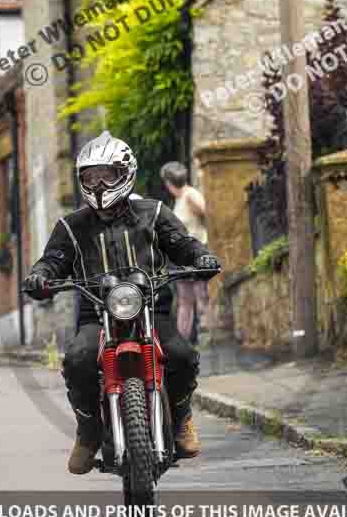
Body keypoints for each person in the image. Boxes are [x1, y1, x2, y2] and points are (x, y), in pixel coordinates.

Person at [22, 131, 219, 475]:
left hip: (150, 308)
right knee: (79, 360)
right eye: (89, 176)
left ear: (125, 173)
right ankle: (87, 433)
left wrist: (201, 256)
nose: (98, 183)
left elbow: (182, 244)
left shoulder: (154, 213)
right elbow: (52, 260)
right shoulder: (71, 226)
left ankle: (182, 416)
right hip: (95, 315)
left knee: (182, 355)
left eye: (106, 175)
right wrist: (40, 276)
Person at [160, 161, 210, 343]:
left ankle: (210, 336)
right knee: (185, 299)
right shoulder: (180, 198)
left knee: (201, 295)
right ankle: (182, 340)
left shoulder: (190, 195)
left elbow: (207, 214)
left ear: (168, 182)